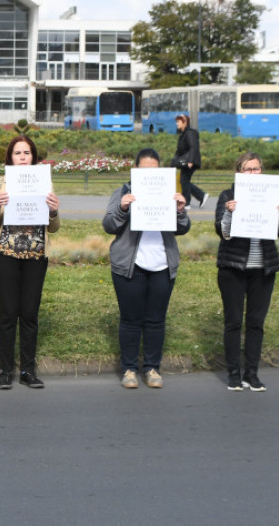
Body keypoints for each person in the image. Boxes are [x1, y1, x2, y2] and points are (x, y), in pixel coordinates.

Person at [103, 148, 190, 389]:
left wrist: (181, 210)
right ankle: (130, 369)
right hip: (130, 266)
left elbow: (183, 228)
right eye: (144, 170)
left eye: (154, 170)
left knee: (156, 320)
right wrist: (121, 207)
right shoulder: (123, 191)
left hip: (163, 265)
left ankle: (152, 368)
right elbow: (108, 224)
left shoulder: (171, 193)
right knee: (130, 319)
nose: (149, 174)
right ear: (136, 171)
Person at [0, 135, 60, 390]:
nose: (23, 157)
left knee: (29, 313)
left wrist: (54, 210)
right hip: (6, 254)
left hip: (36, 256)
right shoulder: (0, 182)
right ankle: (5, 371)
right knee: (8, 314)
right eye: (18, 153)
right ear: (11, 157)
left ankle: (28, 370)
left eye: (27, 153)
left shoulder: (44, 182)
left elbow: (55, 227)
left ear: (33, 157)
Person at [214, 152, 279, 391]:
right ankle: (234, 374)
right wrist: (229, 212)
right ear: (238, 173)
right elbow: (223, 232)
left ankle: (252, 373)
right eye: (247, 169)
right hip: (233, 268)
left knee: (256, 323)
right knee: (233, 322)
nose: (253, 173)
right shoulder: (228, 195)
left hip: (263, 268)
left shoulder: (271, 196)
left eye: (256, 169)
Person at [173, 114, 207, 208]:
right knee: (184, 180)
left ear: (185, 122)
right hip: (185, 162)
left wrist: (190, 161)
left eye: (178, 122)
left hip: (191, 161)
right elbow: (180, 149)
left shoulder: (189, 133)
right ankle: (201, 195)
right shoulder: (183, 134)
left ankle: (187, 202)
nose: (177, 124)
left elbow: (193, 147)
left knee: (184, 180)